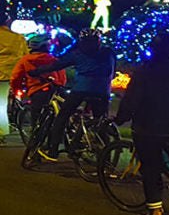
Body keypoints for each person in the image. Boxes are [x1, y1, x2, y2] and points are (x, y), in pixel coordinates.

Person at [113, 33, 169, 215]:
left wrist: (121, 118)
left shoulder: (145, 72)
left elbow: (131, 100)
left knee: (150, 168)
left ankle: (154, 213)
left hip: (149, 127)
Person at [30, 28, 114, 161]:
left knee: (62, 116)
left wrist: (36, 71)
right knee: (100, 123)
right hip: (103, 91)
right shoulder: (108, 52)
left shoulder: (77, 54)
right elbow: (112, 72)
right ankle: (106, 158)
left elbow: (56, 65)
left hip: (81, 89)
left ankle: (53, 150)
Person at [10, 34, 66, 133]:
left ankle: (36, 137)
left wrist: (16, 90)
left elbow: (16, 77)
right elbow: (62, 78)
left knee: (37, 117)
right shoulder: (53, 59)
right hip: (55, 89)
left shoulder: (25, 60)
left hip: (37, 90)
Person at [0, 14, 29, 138]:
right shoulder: (18, 37)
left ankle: (2, 132)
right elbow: (25, 55)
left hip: (3, 74)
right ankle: (3, 131)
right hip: (12, 73)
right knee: (2, 104)